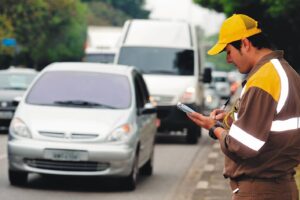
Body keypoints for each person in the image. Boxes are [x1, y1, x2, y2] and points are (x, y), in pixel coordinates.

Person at [187, 14, 300, 200]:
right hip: (280, 185)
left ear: (245, 43)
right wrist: (227, 118)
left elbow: (243, 146)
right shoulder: (286, 72)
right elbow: (269, 122)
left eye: (228, 51)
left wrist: (213, 128)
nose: (228, 60)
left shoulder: (263, 80)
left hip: (261, 191)